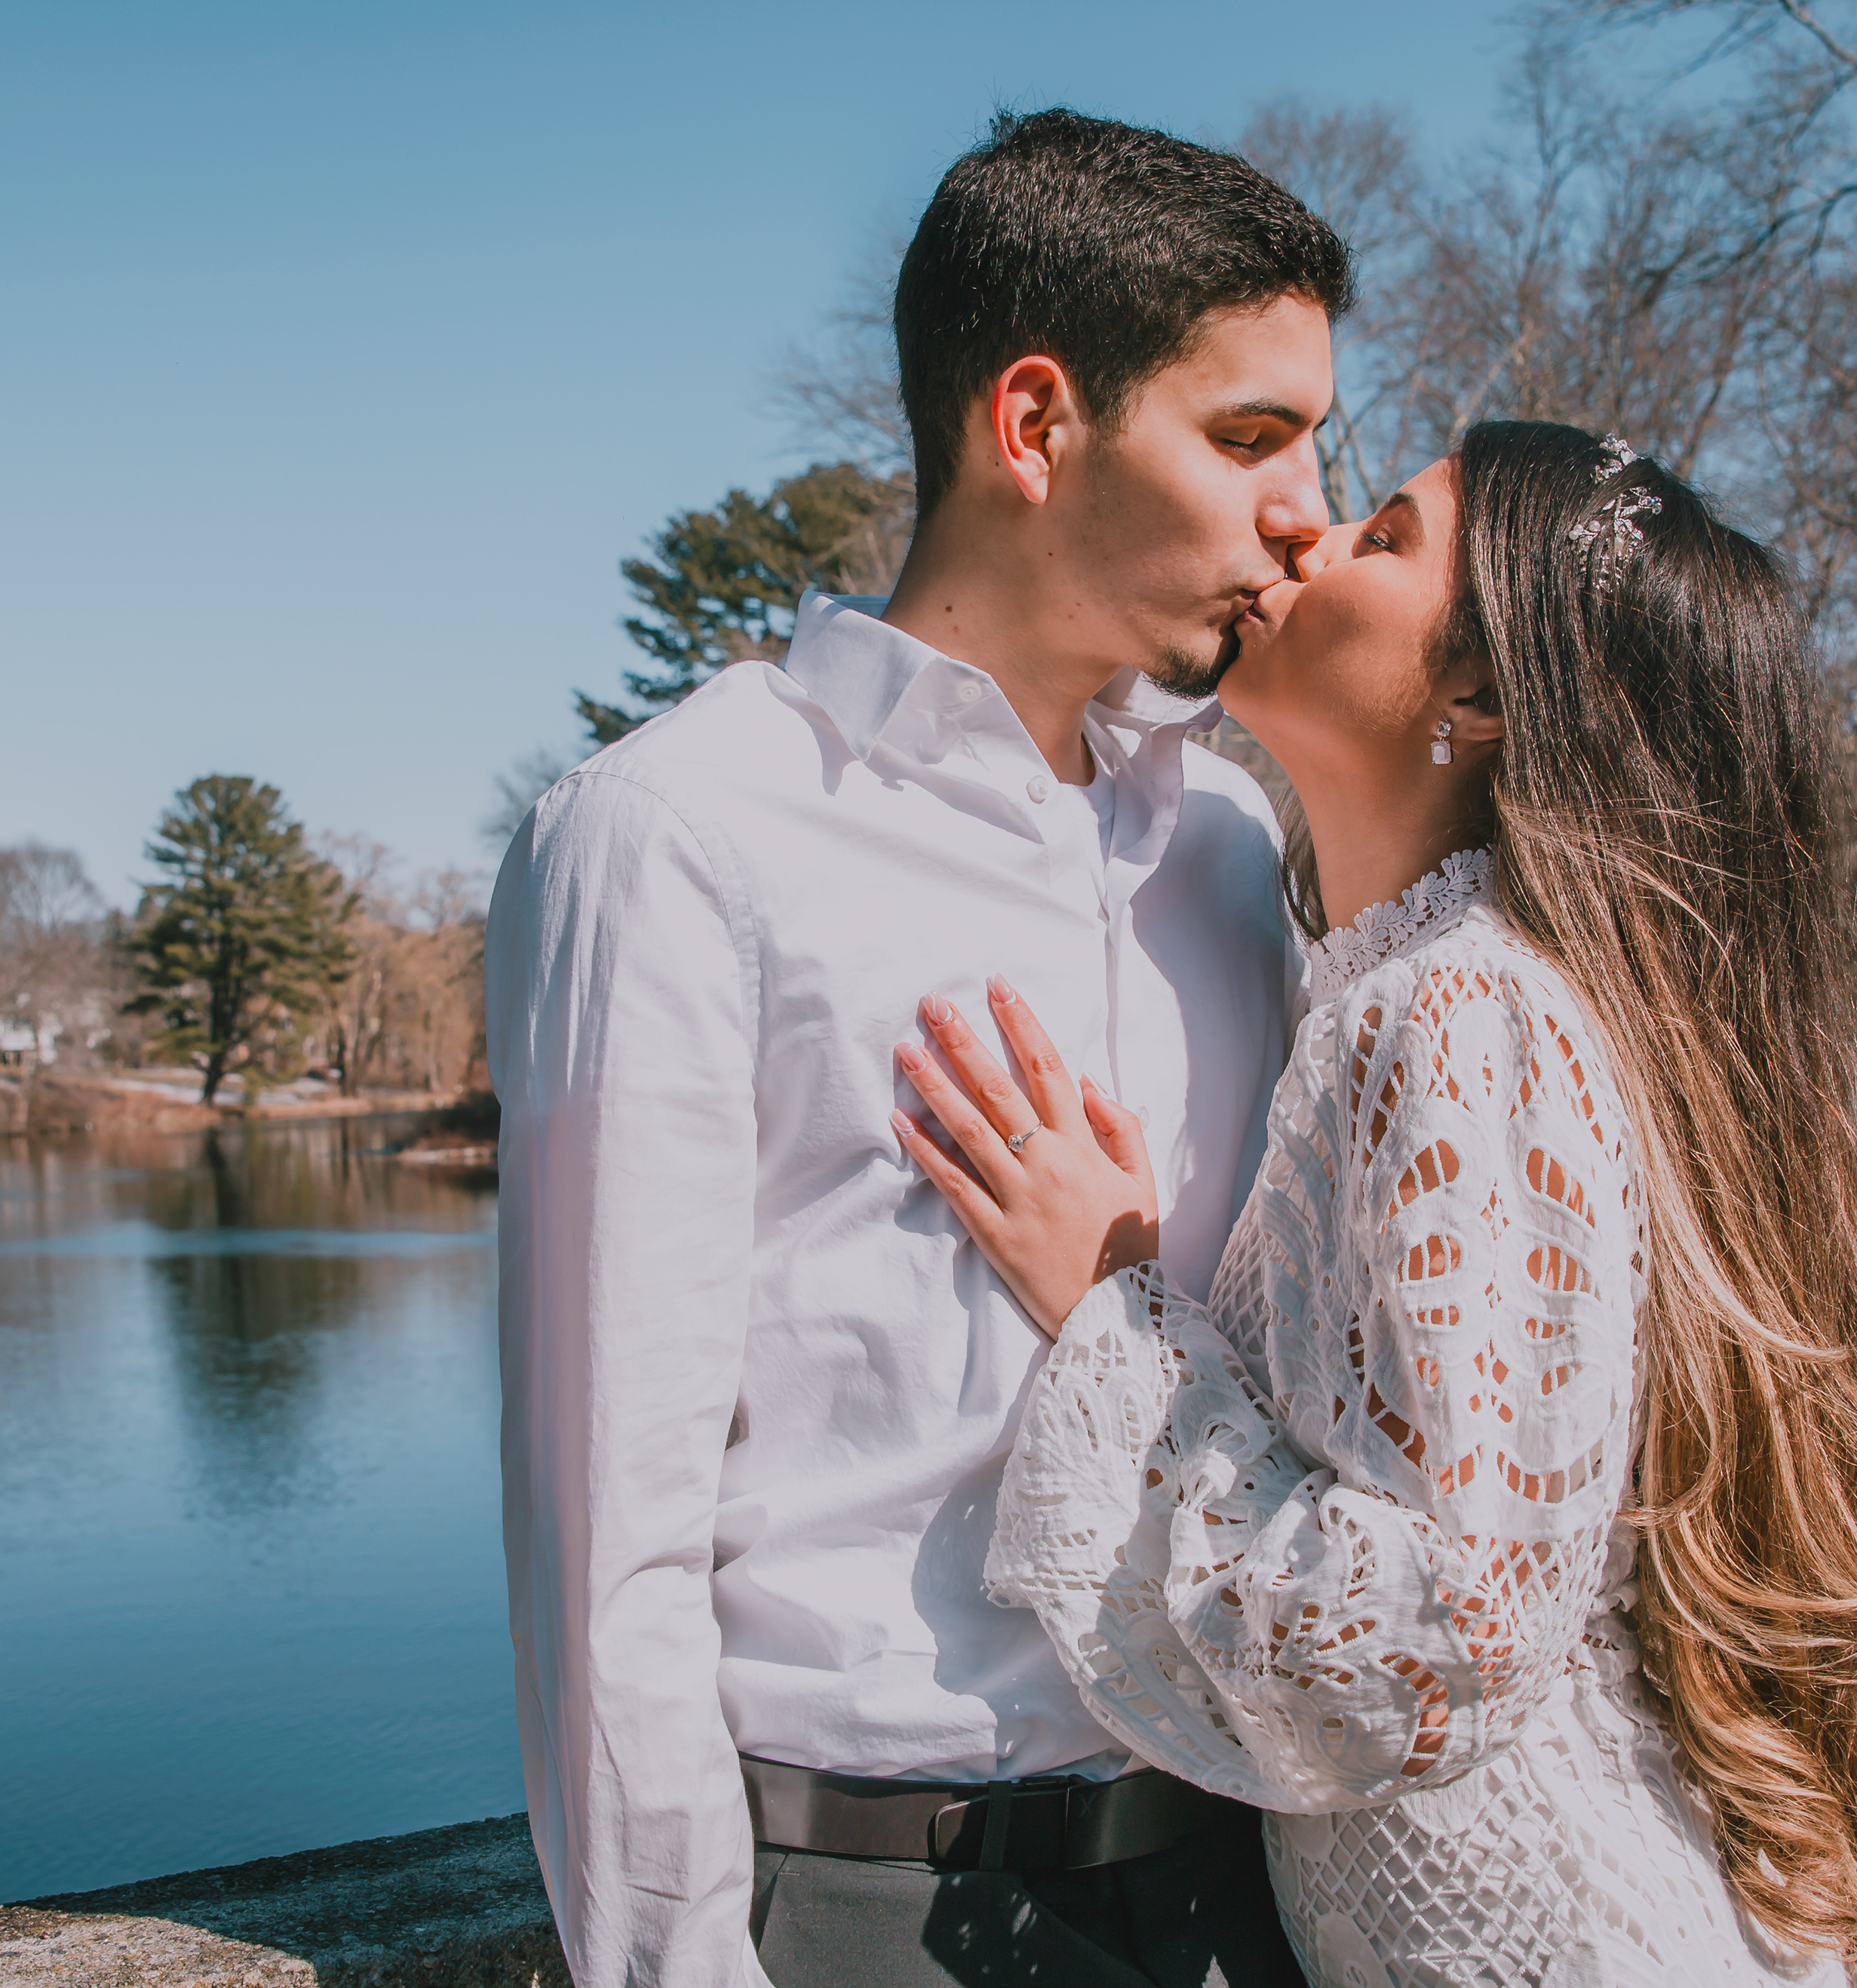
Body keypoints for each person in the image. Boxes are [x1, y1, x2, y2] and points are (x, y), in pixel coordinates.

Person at [892, 422, 1857, 1986]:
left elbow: (1446, 1628)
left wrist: (1113, 1313)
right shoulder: (1412, 991)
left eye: (1386, 536)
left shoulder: (1461, 1011)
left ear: (1475, 696)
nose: (1310, 534)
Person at [487, 110, 1349, 1987]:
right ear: (1035, 424)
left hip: (1246, 1893)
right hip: (871, 1910)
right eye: (1250, 437)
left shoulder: (1229, 847)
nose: (1308, 512)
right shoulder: (674, 833)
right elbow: (606, 1548)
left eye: (1317, 445)